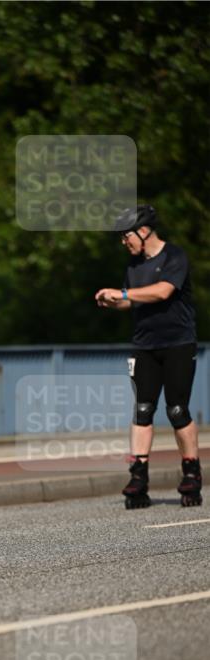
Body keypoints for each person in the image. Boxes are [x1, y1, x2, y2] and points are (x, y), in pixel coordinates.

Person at [95, 204, 202, 508]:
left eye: (125, 235)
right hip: (144, 346)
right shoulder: (134, 265)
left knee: (177, 410)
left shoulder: (174, 256)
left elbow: (162, 292)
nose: (123, 242)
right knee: (142, 409)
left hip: (178, 344)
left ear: (143, 231)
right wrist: (113, 301)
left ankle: (191, 473)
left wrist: (123, 294)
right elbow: (132, 301)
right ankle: (138, 476)